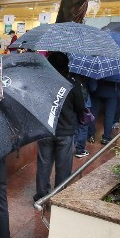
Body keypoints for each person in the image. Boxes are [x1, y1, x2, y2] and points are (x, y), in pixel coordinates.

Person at [34, 53, 85, 202]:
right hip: (65, 131)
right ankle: (59, 196)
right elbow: (80, 107)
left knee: (44, 163)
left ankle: (41, 195)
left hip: (44, 129)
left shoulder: (42, 83)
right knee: (63, 166)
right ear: (66, 66)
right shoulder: (72, 84)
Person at [88, 79, 119, 145]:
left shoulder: (97, 68)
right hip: (112, 90)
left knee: (93, 113)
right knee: (109, 115)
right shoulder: (115, 68)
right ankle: (106, 137)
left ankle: (91, 135)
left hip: (97, 90)